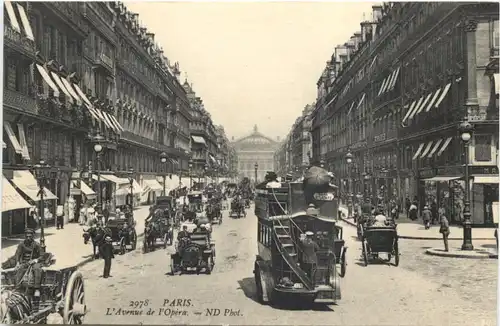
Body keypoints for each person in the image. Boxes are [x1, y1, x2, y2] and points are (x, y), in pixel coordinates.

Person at [14, 229, 43, 297]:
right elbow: (17, 254)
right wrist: (17, 263)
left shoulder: (37, 245)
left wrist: (35, 260)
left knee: (37, 269)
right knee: (19, 270)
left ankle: (37, 289)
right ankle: (17, 288)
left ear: (33, 236)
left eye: (30, 236)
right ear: (25, 236)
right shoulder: (21, 244)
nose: (28, 238)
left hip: (34, 262)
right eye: (27, 236)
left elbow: (42, 256)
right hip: (25, 262)